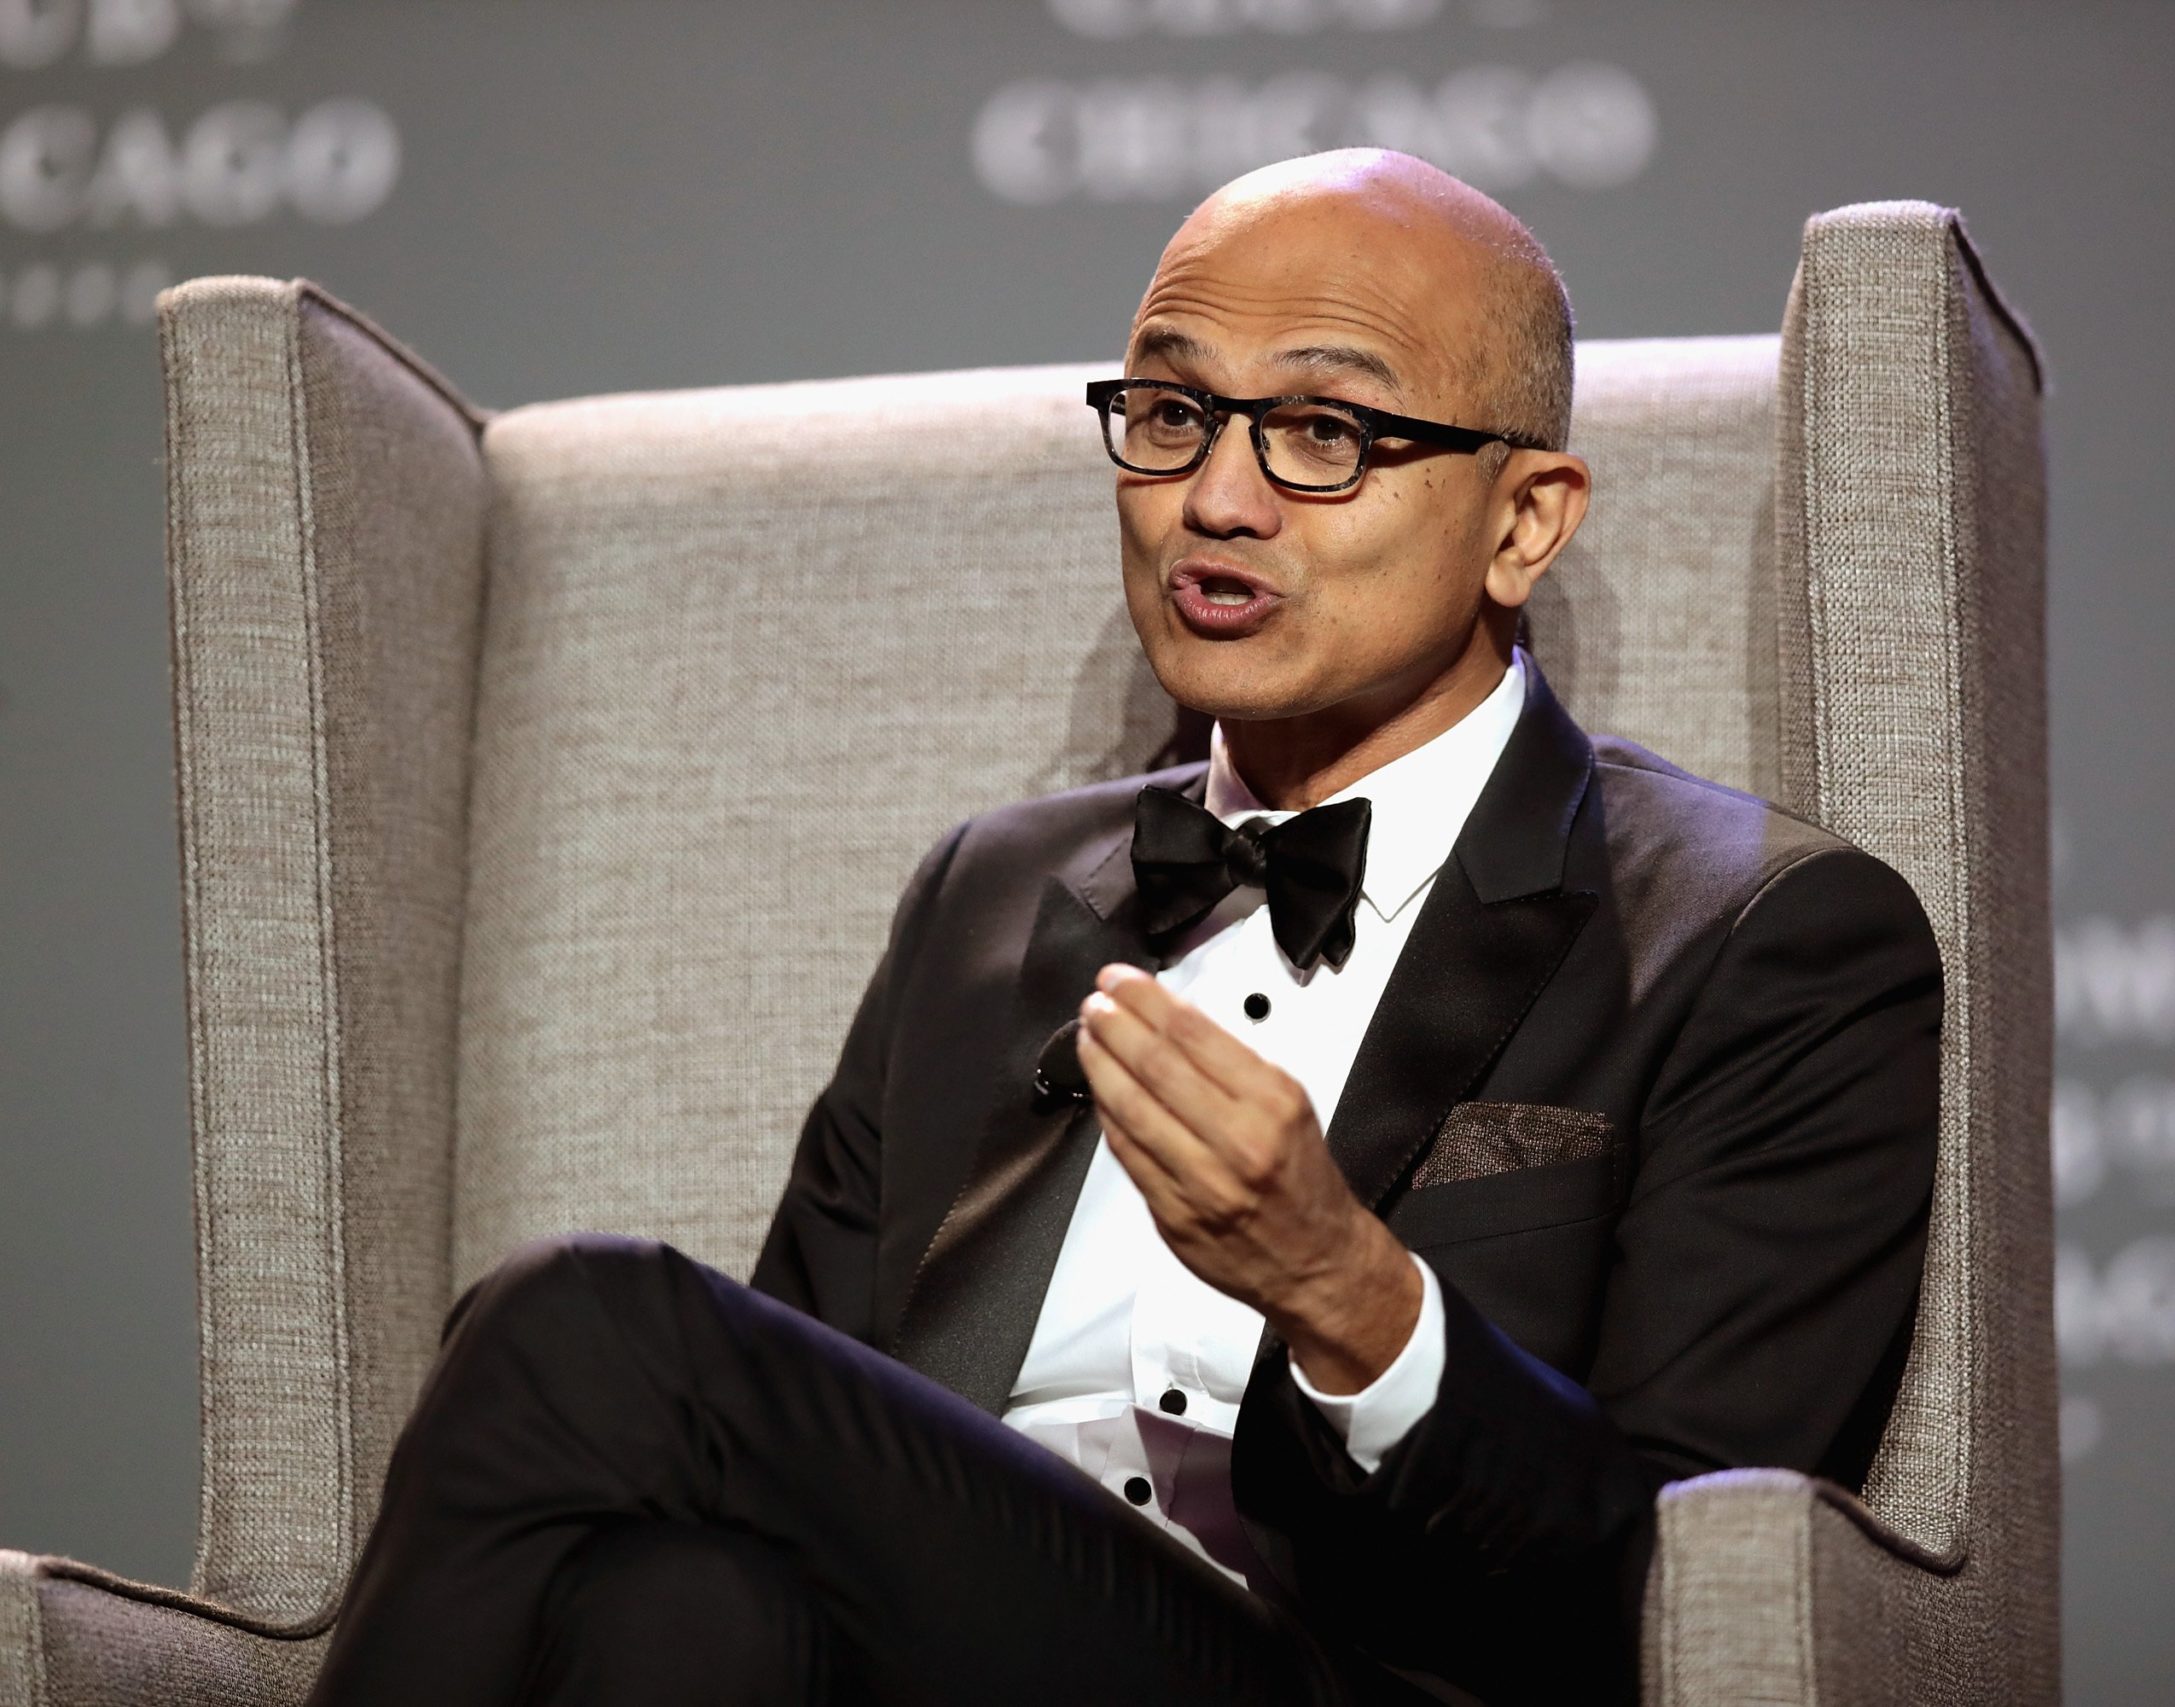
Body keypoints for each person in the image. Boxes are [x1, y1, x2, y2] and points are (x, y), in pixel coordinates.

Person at [301, 148, 1941, 1707]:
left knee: (588, 1320)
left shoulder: (1759, 938)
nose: (1215, 501)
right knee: (677, 1616)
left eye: (1322, 433)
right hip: (930, 1654)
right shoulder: (992, 896)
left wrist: (1354, 1296)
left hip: (1358, 1665)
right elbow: (804, 1420)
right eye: (1170, 413)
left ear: (1524, 520)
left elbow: (1695, 1588)